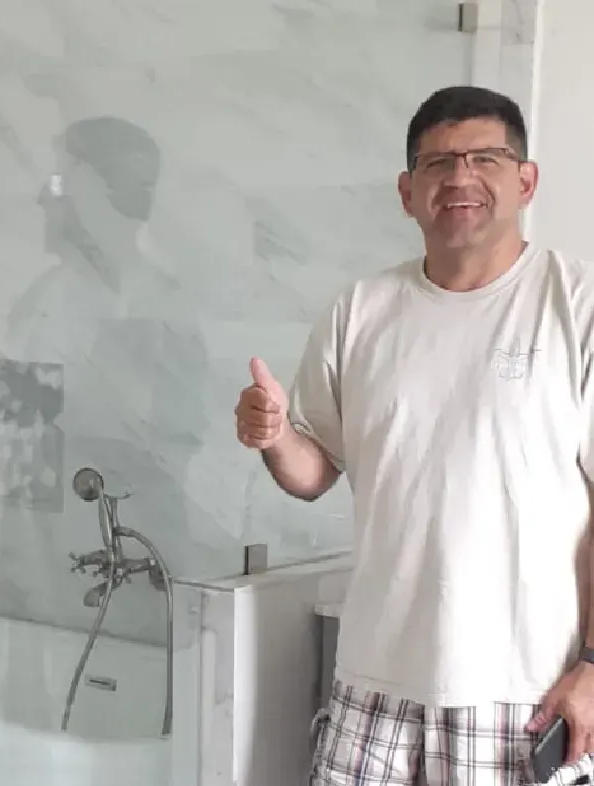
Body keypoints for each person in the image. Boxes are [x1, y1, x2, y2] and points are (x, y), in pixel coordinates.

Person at [234, 85, 594, 786]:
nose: (460, 177)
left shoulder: (573, 306)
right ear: (407, 191)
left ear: (525, 180)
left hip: (522, 693)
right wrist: (274, 435)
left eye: (484, 157)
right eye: (437, 164)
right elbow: (315, 470)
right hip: (372, 684)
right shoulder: (360, 310)